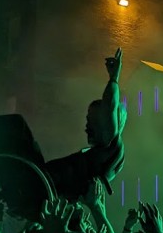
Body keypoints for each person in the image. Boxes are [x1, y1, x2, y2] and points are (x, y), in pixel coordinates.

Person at [46, 48, 127, 200]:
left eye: (92, 121)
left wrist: (114, 78)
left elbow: (109, 107)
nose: (86, 127)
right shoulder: (104, 151)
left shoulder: (110, 144)